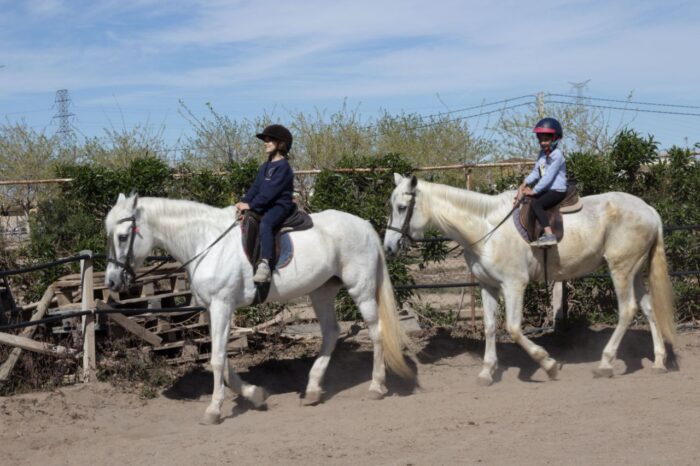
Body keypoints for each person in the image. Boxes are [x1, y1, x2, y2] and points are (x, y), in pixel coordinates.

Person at [235, 124, 295, 282]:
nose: (265, 143)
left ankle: (265, 264)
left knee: (266, 223)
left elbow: (271, 192)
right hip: (266, 204)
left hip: (280, 205)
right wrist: (244, 201)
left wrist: (252, 206)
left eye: (270, 140)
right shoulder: (265, 166)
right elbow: (256, 187)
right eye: (265, 140)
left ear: (280, 144)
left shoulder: (283, 167)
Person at [515, 117, 568, 247]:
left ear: (555, 138)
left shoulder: (557, 155)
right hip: (546, 189)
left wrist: (534, 191)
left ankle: (549, 235)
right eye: (541, 140)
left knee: (537, 205)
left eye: (546, 139)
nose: (543, 143)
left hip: (557, 190)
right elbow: (536, 172)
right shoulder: (542, 154)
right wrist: (525, 183)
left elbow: (548, 176)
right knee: (526, 201)